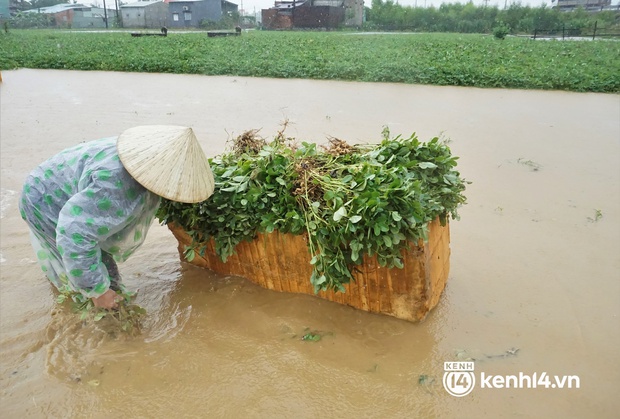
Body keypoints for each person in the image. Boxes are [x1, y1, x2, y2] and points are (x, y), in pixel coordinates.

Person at [19, 125, 215, 309]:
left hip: (57, 188)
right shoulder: (115, 184)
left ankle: (107, 306)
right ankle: (87, 325)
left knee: (105, 273)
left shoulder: (140, 158)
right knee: (86, 290)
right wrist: (98, 291)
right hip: (45, 200)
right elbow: (73, 234)